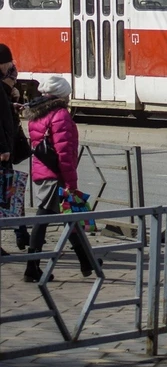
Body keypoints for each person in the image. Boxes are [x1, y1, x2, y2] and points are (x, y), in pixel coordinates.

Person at [22, 75, 95, 283]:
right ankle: (32, 266)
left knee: (68, 217)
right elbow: (64, 153)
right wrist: (71, 182)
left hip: (42, 172)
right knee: (47, 217)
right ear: (62, 95)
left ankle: (87, 262)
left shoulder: (38, 113)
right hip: (56, 176)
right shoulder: (60, 115)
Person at [0, 44, 29, 251]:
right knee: (8, 191)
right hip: (2, 150)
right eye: (8, 63)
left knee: (12, 189)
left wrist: (11, 104)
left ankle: (22, 232)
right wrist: (3, 148)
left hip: (7, 146)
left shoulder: (6, 85)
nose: (11, 66)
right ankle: (22, 232)